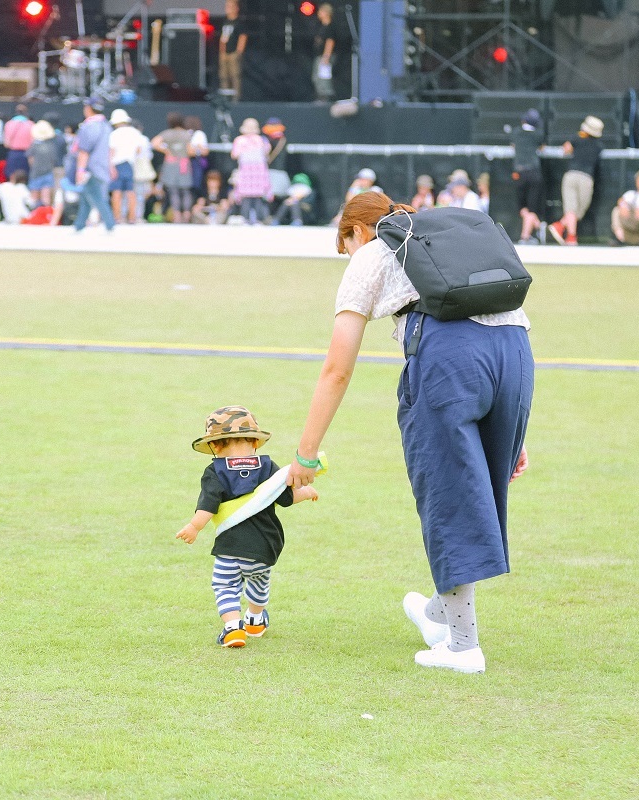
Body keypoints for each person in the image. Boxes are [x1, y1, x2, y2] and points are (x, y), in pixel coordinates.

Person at [287, 191, 533, 673]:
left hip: (449, 359)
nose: (349, 256)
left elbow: (337, 367)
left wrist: (305, 454)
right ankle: (435, 615)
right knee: (472, 493)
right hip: (517, 356)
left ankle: (464, 648)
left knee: (448, 495)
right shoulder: (447, 240)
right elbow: (505, 320)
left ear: (355, 231)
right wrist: (516, 429)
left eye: (346, 246)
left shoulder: (375, 249)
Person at [176, 406, 318, 647]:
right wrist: (305, 493)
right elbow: (286, 498)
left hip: (230, 548)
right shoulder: (268, 467)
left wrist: (194, 527)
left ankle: (233, 628)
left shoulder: (215, 471)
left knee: (225, 585)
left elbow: (207, 506)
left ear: (216, 445)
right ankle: (254, 619)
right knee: (259, 581)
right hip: (265, 547)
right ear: (255, 441)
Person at [547, 115, 604, 246]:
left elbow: (565, 149)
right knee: (577, 209)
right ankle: (571, 237)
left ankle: (560, 225)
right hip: (586, 178)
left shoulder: (577, 139)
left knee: (573, 209)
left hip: (572, 175)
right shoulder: (598, 146)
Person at [71, 99, 116, 232]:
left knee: (96, 196)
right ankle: (79, 225)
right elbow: (109, 149)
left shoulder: (89, 126)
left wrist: (80, 170)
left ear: (88, 108)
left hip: (91, 168)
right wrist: (110, 166)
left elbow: (84, 151)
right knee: (86, 196)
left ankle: (110, 223)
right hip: (102, 167)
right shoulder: (106, 126)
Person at [151, 112, 194, 224]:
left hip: (171, 163)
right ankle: (187, 214)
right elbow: (190, 151)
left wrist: (167, 151)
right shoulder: (186, 134)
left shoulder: (167, 133)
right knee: (185, 190)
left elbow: (154, 143)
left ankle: (177, 216)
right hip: (184, 164)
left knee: (173, 190)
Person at [512, 108, 545, 245]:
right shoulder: (538, 134)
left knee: (523, 207)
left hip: (518, 172)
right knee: (531, 207)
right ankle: (526, 235)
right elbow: (541, 148)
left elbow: (513, 146)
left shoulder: (516, 132)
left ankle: (532, 230)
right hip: (533, 172)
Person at [231, 117, 271, 224]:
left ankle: (249, 218)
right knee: (253, 197)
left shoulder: (241, 140)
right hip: (254, 171)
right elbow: (267, 152)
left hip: (251, 171)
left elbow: (234, 154)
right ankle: (254, 219)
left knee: (250, 197)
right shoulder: (259, 140)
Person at [107, 109, 140, 224]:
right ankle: (132, 217)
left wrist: (110, 167)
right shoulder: (135, 132)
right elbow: (138, 150)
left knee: (116, 191)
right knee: (130, 191)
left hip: (117, 164)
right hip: (130, 164)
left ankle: (117, 217)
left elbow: (111, 151)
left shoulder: (114, 134)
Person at [218, 0, 248, 101]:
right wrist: (221, 50)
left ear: (236, 8)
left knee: (235, 75)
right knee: (224, 76)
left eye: (231, 6)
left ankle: (236, 98)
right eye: (227, 6)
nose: (228, 9)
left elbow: (243, 37)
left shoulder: (239, 22)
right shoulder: (225, 22)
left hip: (234, 53)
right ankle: (225, 97)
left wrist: (239, 51)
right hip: (224, 53)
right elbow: (223, 37)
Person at [25, 120, 58, 208]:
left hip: (36, 173)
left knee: (34, 197)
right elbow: (53, 160)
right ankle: (45, 215)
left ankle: (34, 216)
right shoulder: (51, 145)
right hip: (48, 172)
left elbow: (30, 160)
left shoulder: (34, 145)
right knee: (46, 198)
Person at [2, 105, 33, 180]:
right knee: (24, 177)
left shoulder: (9, 124)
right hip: (26, 154)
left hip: (13, 153)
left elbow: (6, 143)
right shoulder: (31, 124)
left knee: (11, 177)